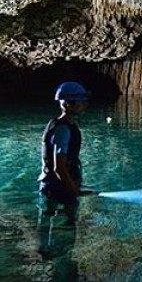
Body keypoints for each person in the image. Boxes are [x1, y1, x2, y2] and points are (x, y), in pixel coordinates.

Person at [38, 81, 94, 226]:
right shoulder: (63, 130)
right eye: (81, 101)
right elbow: (59, 168)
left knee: (48, 223)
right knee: (68, 226)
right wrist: (74, 189)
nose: (85, 104)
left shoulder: (56, 124)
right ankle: (61, 248)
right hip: (58, 186)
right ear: (69, 103)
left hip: (53, 185)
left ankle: (48, 248)